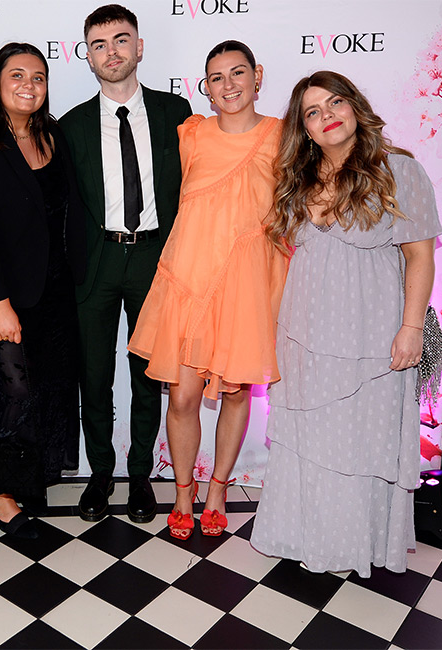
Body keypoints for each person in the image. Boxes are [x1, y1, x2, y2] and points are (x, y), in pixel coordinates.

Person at [250, 71, 442, 577]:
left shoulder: (398, 169)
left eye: (335, 103)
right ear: (305, 129)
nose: (327, 116)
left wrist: (411, 328)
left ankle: (355, 545)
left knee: (361, 440)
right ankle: (309, 537)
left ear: (355, 106)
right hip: (304, 332)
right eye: (313, 112)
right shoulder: (298, 177)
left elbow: (421, 257)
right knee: (310, 438)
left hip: (371, 334)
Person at [128, 41, 289, 539]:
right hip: (189, 281)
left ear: (257, 76)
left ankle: (217, 488)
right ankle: (183, 491)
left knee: (236, 393)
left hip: (245, 286)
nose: (229, 85)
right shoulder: (192, 134)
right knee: (182, 398)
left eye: (238, 73)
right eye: (217, 77)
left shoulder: (282, 136)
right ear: (206, 88)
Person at [0, 43, 86, 539]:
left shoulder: (52, 134)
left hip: (52, 293)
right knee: (6, 393)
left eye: (38, 76)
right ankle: (0, 493)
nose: (29, 85)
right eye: (17, 75)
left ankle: (31, 481)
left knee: (44, 389)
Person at [60, 4, 192, 524]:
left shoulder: (176, 112)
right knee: (93, 376)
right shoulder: (70, 125)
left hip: (156, 258)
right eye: (99, 44)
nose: (111, 52)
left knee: (147, 375)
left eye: (120, 40)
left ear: (139, 47)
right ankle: (99, 474)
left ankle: (140, 476)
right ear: (87, 56)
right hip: (95, 260)